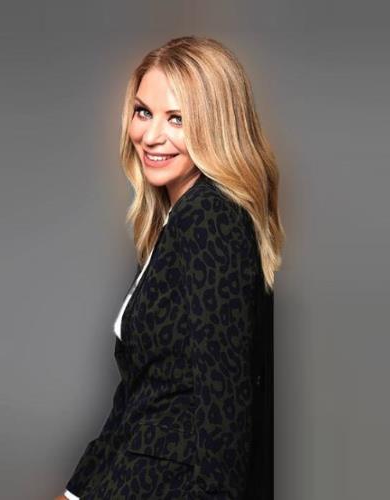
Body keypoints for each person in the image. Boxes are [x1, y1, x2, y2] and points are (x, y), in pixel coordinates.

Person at [57, 36, 283, 499]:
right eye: (143, 112)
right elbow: (141, 396)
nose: (151, 136)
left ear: (215, 126)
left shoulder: (211, 219)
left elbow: (225, 407)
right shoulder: (179, 221)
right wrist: (76, 493)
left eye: (176, 119)